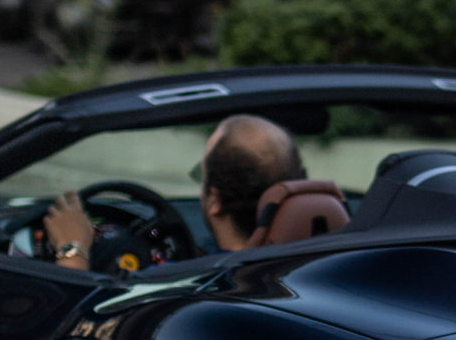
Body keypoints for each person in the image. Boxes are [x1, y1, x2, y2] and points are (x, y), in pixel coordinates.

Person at [42, 113, 301, 270]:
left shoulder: (177, 285)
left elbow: (73, 331)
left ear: (215, 200)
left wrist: (72, 249)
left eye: (202, 174)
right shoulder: (317, 255)